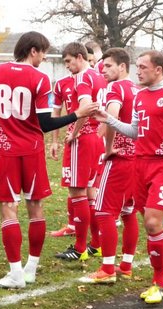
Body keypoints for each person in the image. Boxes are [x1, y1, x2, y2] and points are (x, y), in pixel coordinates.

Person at [93, 50, 163, 304]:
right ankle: (155, 277)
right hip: (139, 164)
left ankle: (161, 281)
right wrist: (109, 119)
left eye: (143, 67)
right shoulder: (140, 95)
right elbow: (134, 131)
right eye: (138, 67)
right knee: (147, 223)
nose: (138, 71)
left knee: (154, 223)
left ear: (158, 69)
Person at [0, 32, 97, 289]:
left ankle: (15, 273)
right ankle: (30, 269)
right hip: (33, 151)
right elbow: (46, 123)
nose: (45, 57)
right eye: (44, 52)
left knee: (8, 210)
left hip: (7, 153)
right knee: (35, 208)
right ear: (33, 50)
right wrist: (76, 115)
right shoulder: (40, 78)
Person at [78, 47, 139, 284]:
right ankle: (126, 265)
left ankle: (107, 270)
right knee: (128, 212)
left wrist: (108, 148)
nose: (103, 70)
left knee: (104, 212)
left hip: (120, 158)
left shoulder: (116, 87)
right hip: (137, 158)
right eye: (102, 66)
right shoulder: (137, 88)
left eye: (108, 66)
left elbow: (111, 116)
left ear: (122, 67)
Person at [54, 42, 107, 261]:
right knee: (91, 194)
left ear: (79, 57)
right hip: (97, 139)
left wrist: (74, 133)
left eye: (68, 61)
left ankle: (79, 248)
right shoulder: (99, 76)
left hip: (83, 139)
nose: (67, 66)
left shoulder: (83, 78)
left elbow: (86, 108)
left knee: (77, 193)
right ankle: (96, 244)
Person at [49, 74, 77, 237]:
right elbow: (56, 112)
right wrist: (54, 141)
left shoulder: (95, 79)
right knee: (73, 185)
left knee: (88, 189)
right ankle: (74, 226)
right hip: (73, 140)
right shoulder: (62, 83)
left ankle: (87, 235)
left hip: (87, 140)